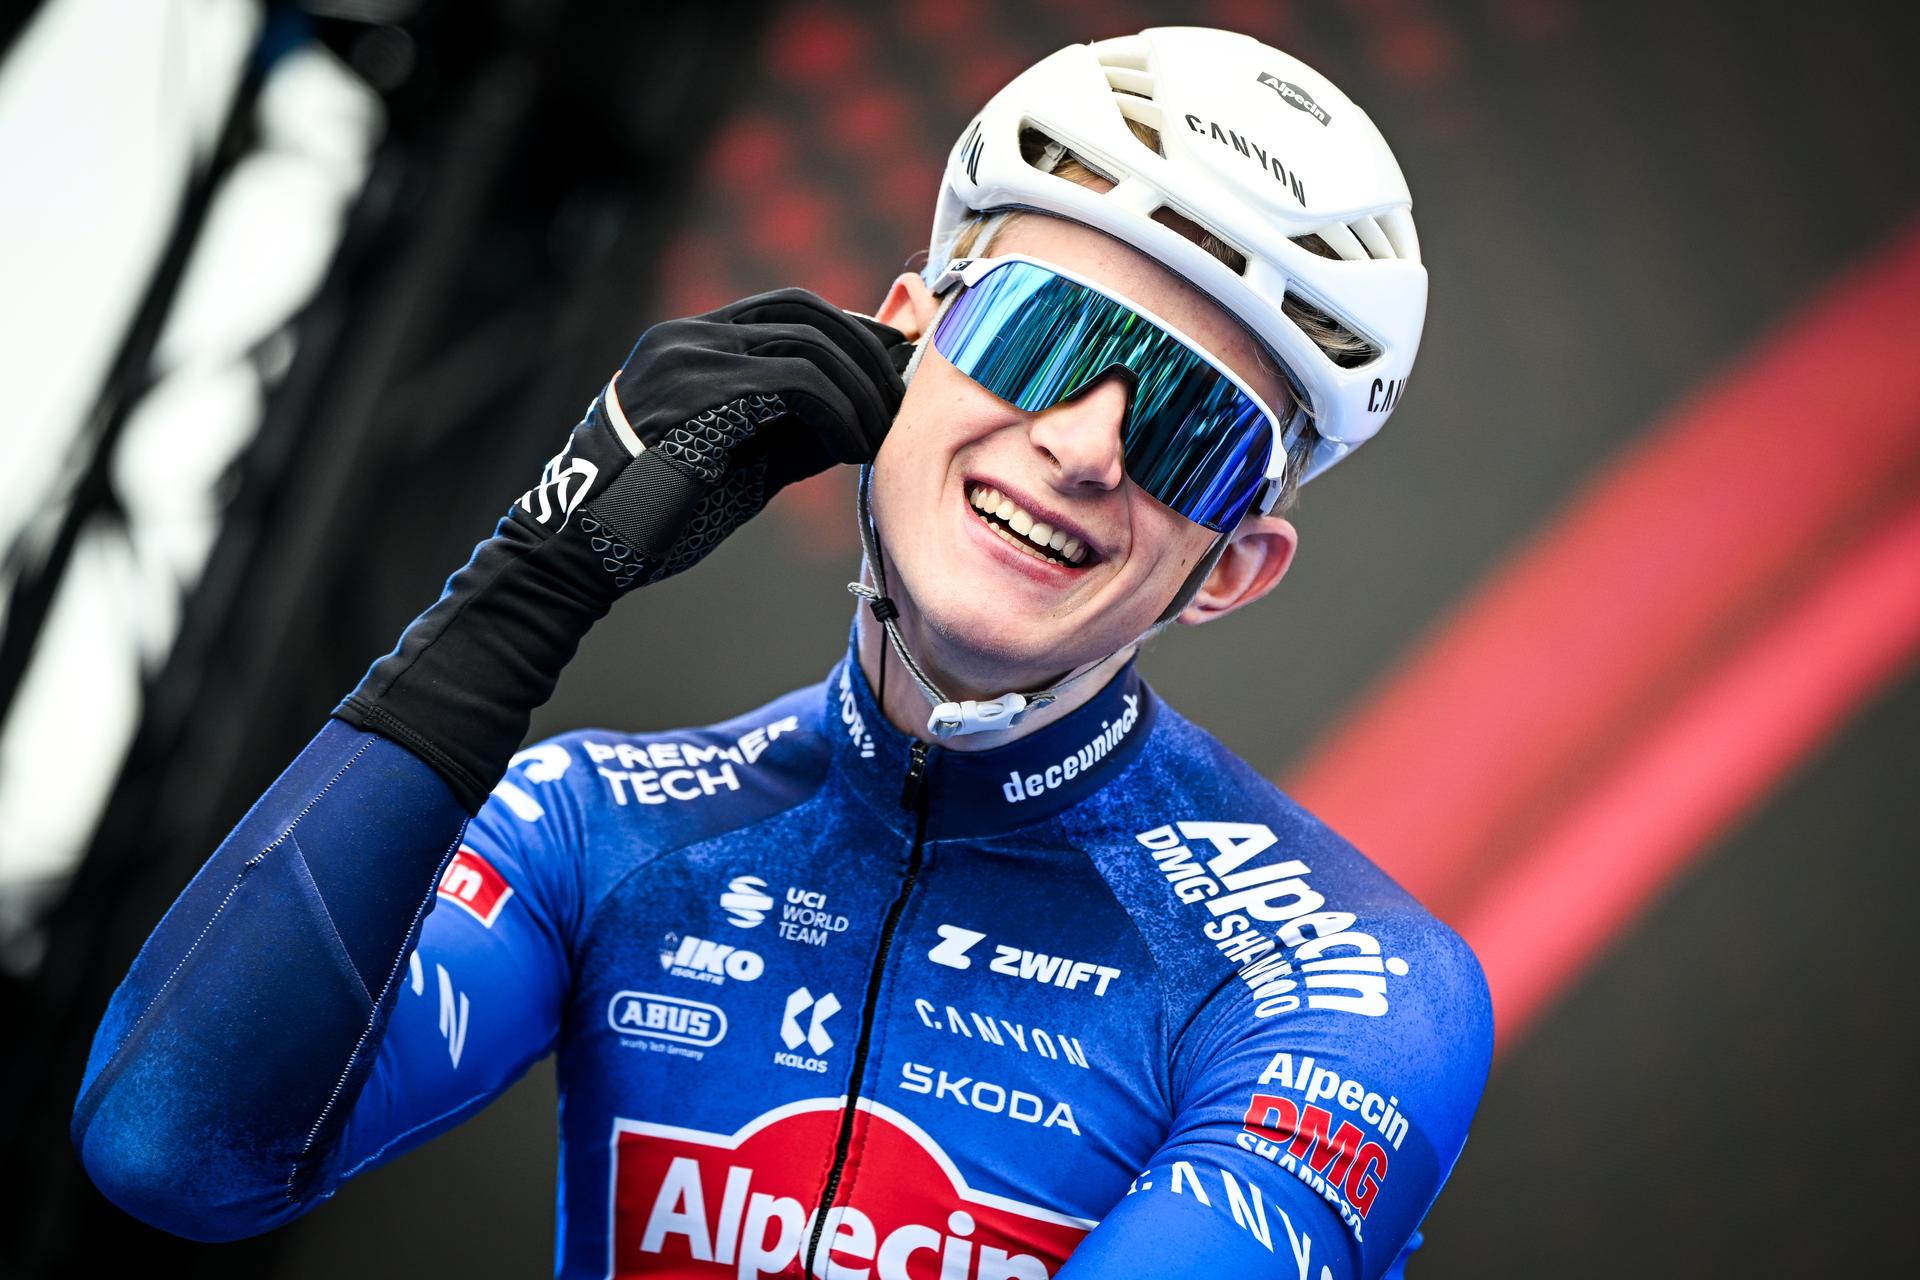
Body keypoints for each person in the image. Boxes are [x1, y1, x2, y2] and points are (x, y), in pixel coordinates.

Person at [72, 26, 1490, 1280]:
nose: (1081, 446)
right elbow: (173, 1146)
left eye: (1188, 426)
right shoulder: (601, 826)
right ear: (904, 345)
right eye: (1043, 339)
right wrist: (535, 574)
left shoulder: (1336, 985)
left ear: (1232, 569)